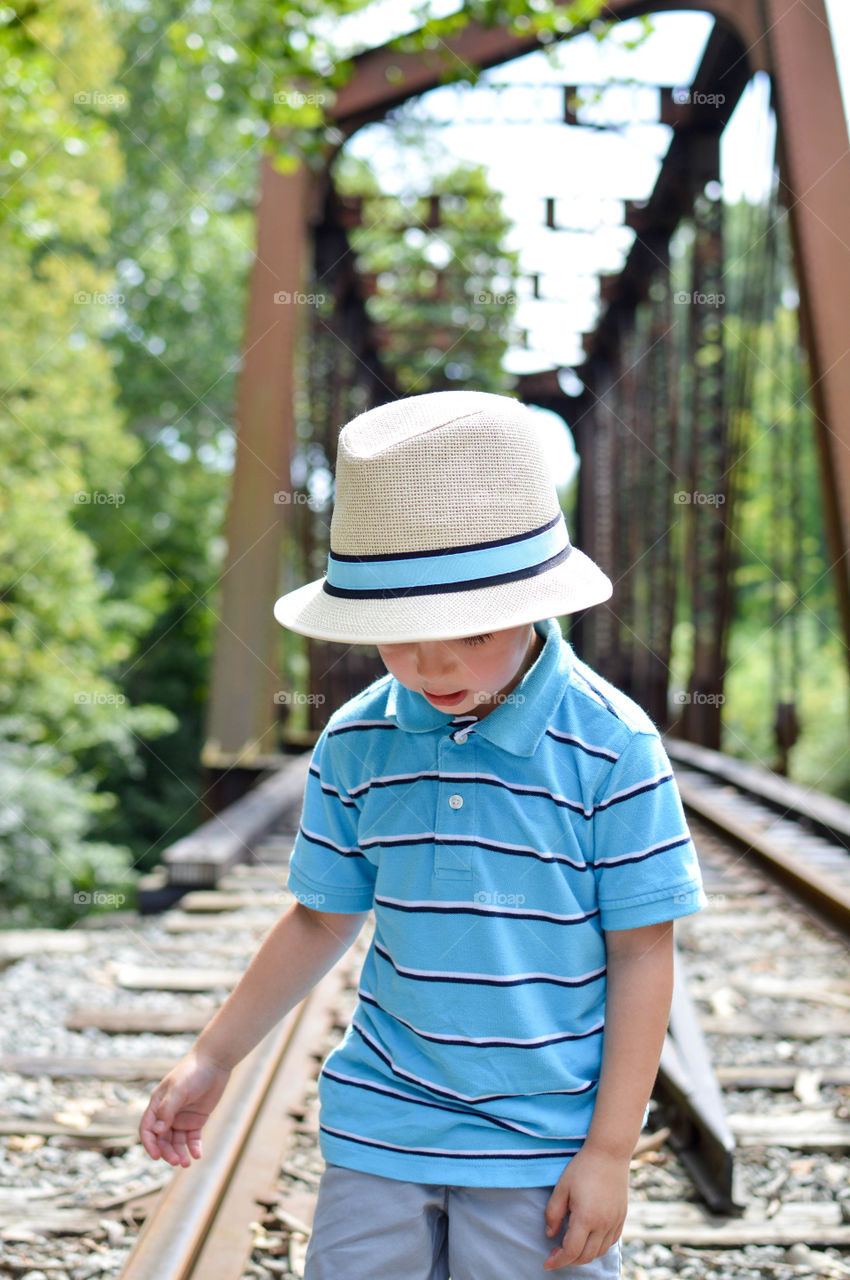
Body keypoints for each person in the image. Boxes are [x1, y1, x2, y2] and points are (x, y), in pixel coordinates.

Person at [140, 390, 705, 1277]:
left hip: (541, 1139)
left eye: (471, 634)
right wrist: (212, 1057)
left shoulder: (612, 747)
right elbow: (321, 920)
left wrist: (608, 1150)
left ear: (532, 603)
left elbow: (641, 953)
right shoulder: (359, 740)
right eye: (398, 639)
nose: (434, 667)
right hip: (384, 1123)